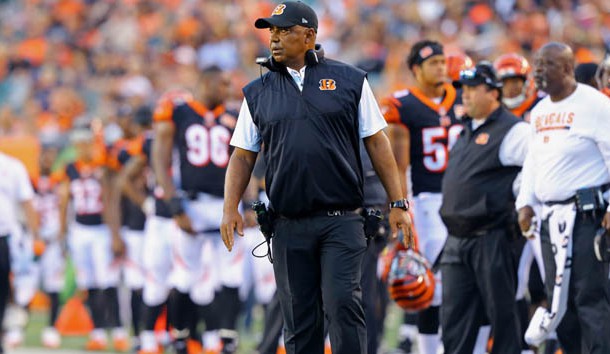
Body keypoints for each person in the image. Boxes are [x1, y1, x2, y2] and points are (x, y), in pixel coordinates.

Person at [221, 2, 412, 354]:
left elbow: (377, 142)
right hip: (288, 222)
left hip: (342, 219)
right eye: (271, 32)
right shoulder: (258, 91)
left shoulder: (350, 80)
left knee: (342, 305)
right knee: (299, 319)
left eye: (283, 30)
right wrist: (230, 207)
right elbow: (242, 154)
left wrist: (397, 202)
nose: (274, 39)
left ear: (309, 35)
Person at [516, 42, 610, 353]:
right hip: (549, 218)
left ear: (568, 69)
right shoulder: (540, 110)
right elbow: (533, 161)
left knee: (590, 297)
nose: (538, 71)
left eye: (547, 65)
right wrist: (525, 203)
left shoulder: (595, 105)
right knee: (559, 300)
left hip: (586, 216)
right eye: (537, 64)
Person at [439, 62, 530, 353]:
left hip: (492, 237)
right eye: (462, 89)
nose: (464, 95)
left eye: (472, 89)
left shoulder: (514, 130)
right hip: (456, 240)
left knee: (503, 318)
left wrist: (520, 197)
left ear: (493, 92)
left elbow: (539, 168)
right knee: (454, 322)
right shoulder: (465, 130)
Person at [151, 65, 241, 354]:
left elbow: (244, 161)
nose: (228, 91)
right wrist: (175, 205)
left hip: (224, 204)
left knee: (231, 275)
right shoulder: (179, 110)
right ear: (207, 82)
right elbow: (160, 159)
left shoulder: (234, 116)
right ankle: (180, 335)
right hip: (191, 202)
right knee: (185, 276)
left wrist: (245, 203)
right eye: (223, 84)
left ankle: (227, 338)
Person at [381, 39, 463, 354]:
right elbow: (399, 166)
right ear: (417, 69)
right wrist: (403, 206)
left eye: (443, 62)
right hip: (428, 200)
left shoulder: (464, 97)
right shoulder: (404, 104)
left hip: (464, 199)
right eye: (433, 63)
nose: (442, 68)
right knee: (433, 286)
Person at [57, 123, 129, 352]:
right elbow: (65, 200)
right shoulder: (71, 169)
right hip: (80, 230)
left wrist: (114, 233)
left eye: (85, 144)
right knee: (89, 284)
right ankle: (97, 333)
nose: (82, 149)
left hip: (101, 230)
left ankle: (118, 331)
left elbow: (112, 189)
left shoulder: (104, 165)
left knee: (108, 283)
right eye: (78, 145)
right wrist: (62, 231)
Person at [0, 151, 40, 354]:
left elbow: (27, 202)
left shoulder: (12, 166)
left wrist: (35, 238)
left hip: (5, 236)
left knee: (4, 288)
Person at [493, 53, 544, 121]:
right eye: (504, 83)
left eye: (515, 82)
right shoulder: (494, 112)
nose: (509, 88)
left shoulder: (542, 105)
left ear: (527, 82)